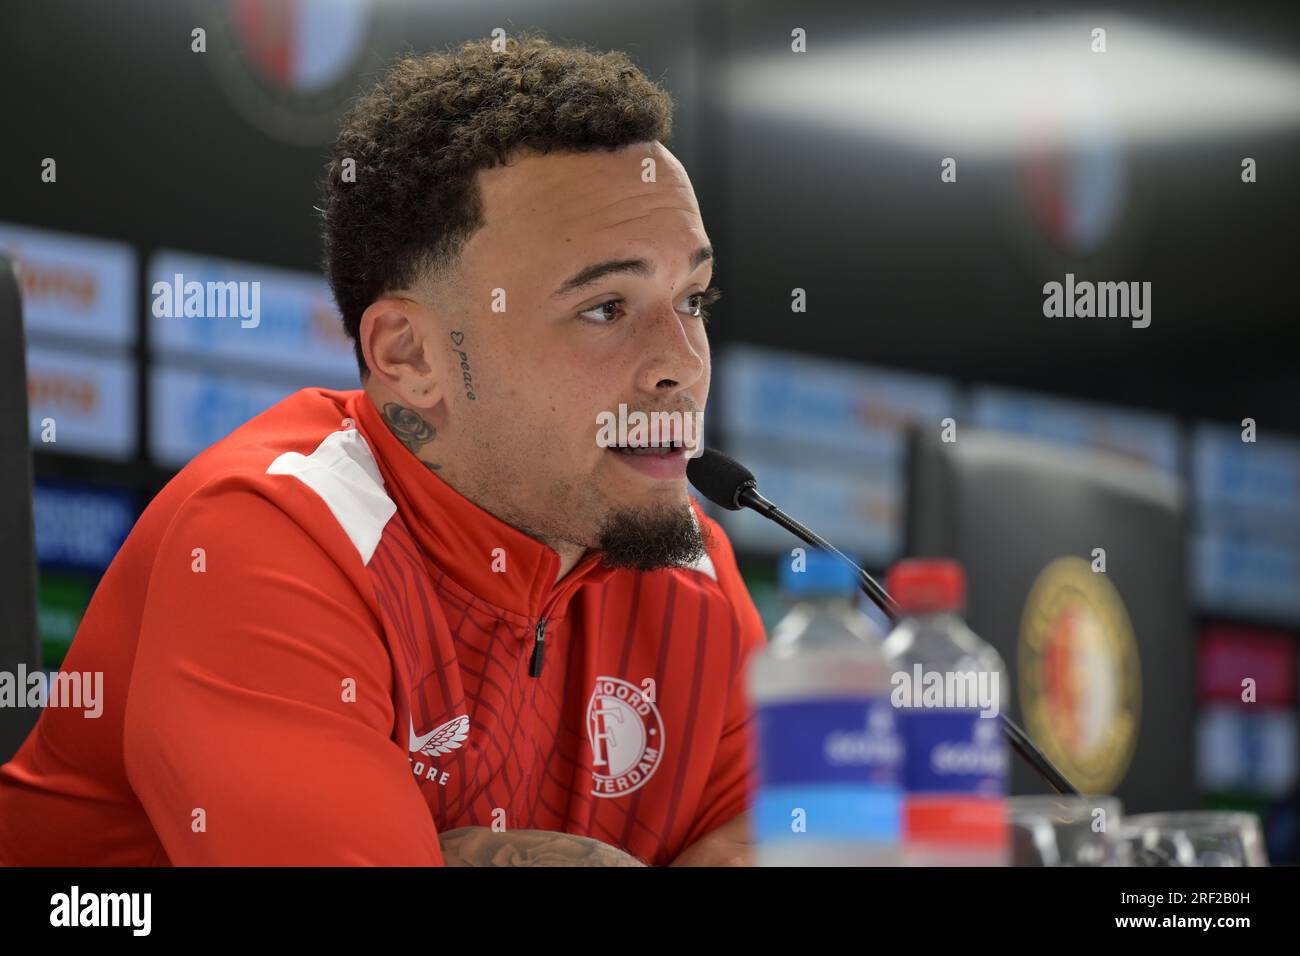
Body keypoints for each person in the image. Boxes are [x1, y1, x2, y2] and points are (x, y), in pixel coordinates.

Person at [0, 34, 764, 866]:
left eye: (693, 298)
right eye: (604, 308)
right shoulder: (267, 537)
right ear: (409, 356)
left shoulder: (691, 569)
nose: (682, 366)